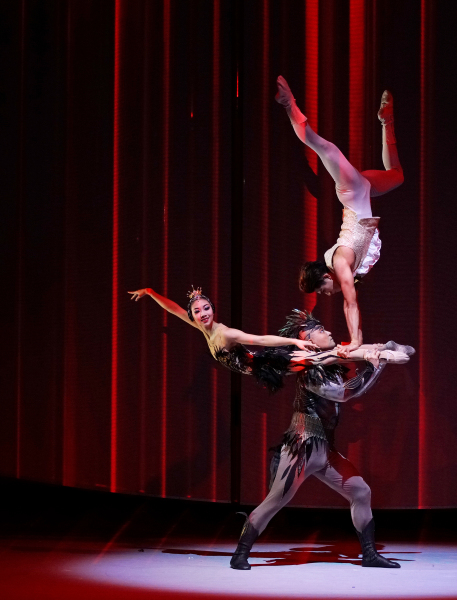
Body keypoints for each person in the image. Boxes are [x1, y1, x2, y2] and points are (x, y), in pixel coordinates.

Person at [229, 309, 413, 570]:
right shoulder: (310, 372)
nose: (328, 331)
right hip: (302, 447)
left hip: (324, 449)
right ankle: (239, 554)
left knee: (361, 492)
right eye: (320, 330)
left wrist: (387, 349)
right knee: (274, 502)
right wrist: (375, 366)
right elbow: (343, 393)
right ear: (310, 342)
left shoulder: (331, 360)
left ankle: (370, 554)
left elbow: (379, 352)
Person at [276, 76, 404, 357]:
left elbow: (350, 302)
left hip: (352, 190)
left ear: (325, 276)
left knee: (322, 146)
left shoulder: (339, 263)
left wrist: (356, 340)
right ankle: (386, 120)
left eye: (322, 290)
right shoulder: (343, 265)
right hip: (362, 191)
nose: (326, 294)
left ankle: (288, 103)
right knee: (397, 176)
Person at [128, 287, 408, 391]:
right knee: (324, 358)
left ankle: (383, 353)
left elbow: (260, 340)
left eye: (206, 308)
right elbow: (175, 309)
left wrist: (294, 343)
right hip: (264, 365)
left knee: (325, 357)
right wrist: (151, 293)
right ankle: (382, 348)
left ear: (213, 308)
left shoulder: (224, 333)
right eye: (198, 311)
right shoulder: (204, 328)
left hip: (271, 362)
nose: (203, 313)